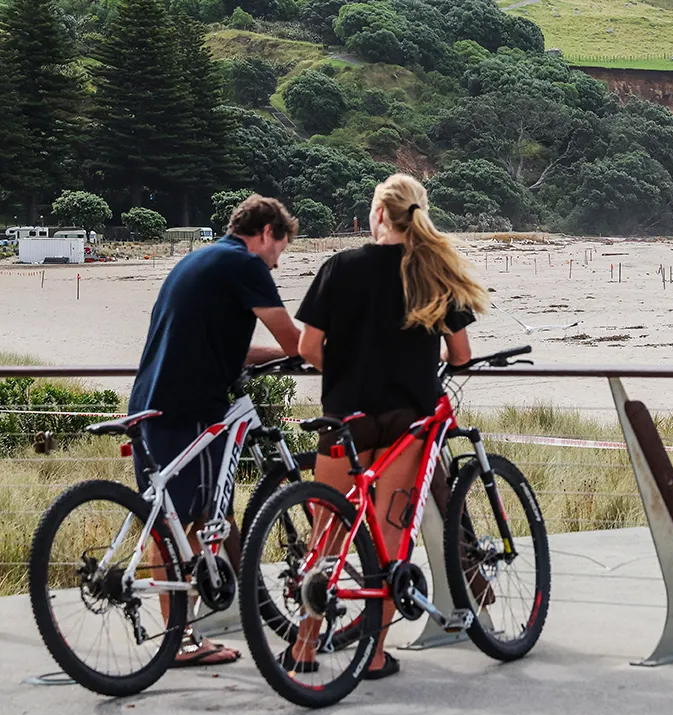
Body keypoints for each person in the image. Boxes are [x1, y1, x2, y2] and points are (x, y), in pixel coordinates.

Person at [289, 173, 487, 679]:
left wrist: (348, 369)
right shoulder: (432, 272)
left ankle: (304, 650)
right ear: (419, 214)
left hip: (344, 419)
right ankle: (373, 657)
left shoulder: (340, 266)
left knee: (326, 537)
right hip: (407, 422)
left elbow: (309, 348)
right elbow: (461, 356)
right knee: (388, 538)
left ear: (378, 214)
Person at [128, 195, 301, 667]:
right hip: (191, 410)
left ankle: (189, 630)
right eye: (280, 251)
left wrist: (273, 356)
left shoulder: (202, 259)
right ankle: (181, 641)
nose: (277, 263)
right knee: (180, 523)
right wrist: (323, 352)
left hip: (151, 400)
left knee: (186, 520)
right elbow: (294, 340)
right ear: (266, 233)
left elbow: (231, 347)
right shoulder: (246, 264)